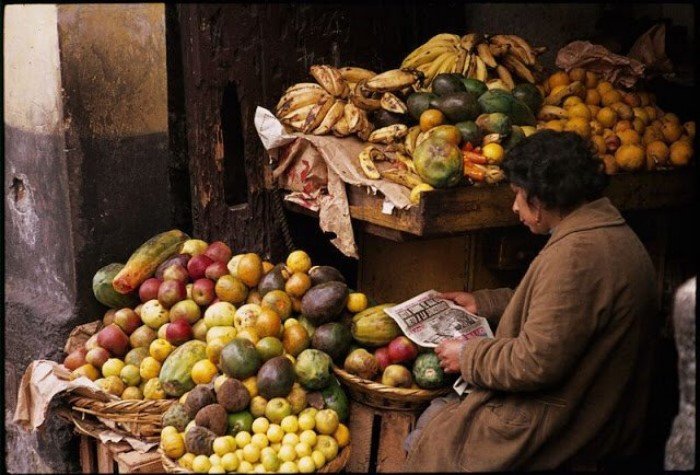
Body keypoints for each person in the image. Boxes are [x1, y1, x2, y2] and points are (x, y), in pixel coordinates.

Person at [404, 130, 659, 471]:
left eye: (518, 195)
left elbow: (534, 362)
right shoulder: (610, 233)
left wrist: (468, 356)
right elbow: (565, 310)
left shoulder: (577, 255)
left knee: (432, 432)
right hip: (591, 411)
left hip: (563, 429)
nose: (514, 206)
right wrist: (486, 304)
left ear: (538, 202)